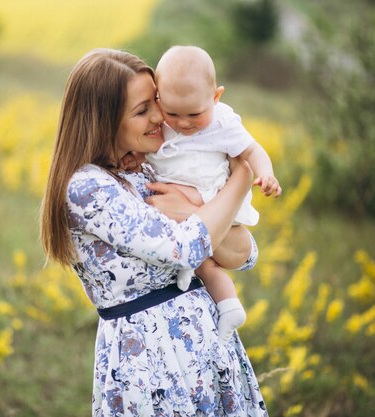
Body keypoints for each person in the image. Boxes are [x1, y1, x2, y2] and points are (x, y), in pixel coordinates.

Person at [40, 48, 268, 416]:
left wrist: (194, 212)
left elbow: (244, 253)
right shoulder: (88, 188)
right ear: (105, 120)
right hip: (151, 362)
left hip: (209, 350)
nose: (160, 117)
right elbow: (186, 249)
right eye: (142, 109)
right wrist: (242, 176)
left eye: (156, 102)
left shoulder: (149, 171)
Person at [146, 45, 282, 343]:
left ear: (216, 97)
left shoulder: (222, 123)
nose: (183, 123)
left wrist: (265, 174)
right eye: (173, 113)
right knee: (204, 263)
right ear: (158, 99)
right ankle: (229, 305)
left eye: (195, 113)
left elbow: (252, 151)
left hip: (212, 195)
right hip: (181, 206)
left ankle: (193, 270)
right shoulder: (158, 123)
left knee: (200, 252)